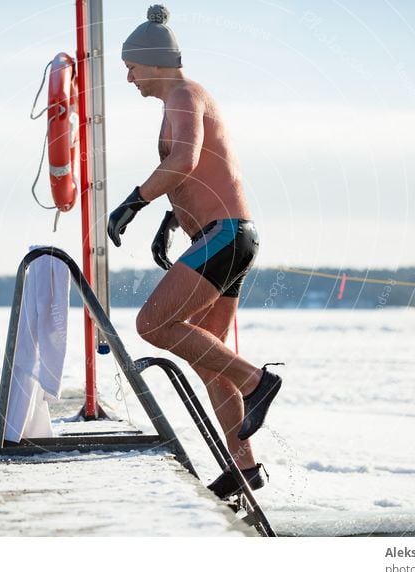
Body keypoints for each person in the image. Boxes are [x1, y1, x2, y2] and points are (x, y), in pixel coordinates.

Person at [107, 5, 284, 500]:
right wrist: (171, 219)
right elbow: (203, 168)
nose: (128, 78)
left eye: (132, 67)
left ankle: (258, 381)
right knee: (211, 359)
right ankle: (244, 468)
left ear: (152, 61)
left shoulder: (184, 93)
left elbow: (183, 159)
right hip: (221, 235)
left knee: (153, 325)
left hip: (223, 237)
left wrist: (135, 201)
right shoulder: (185, 98)